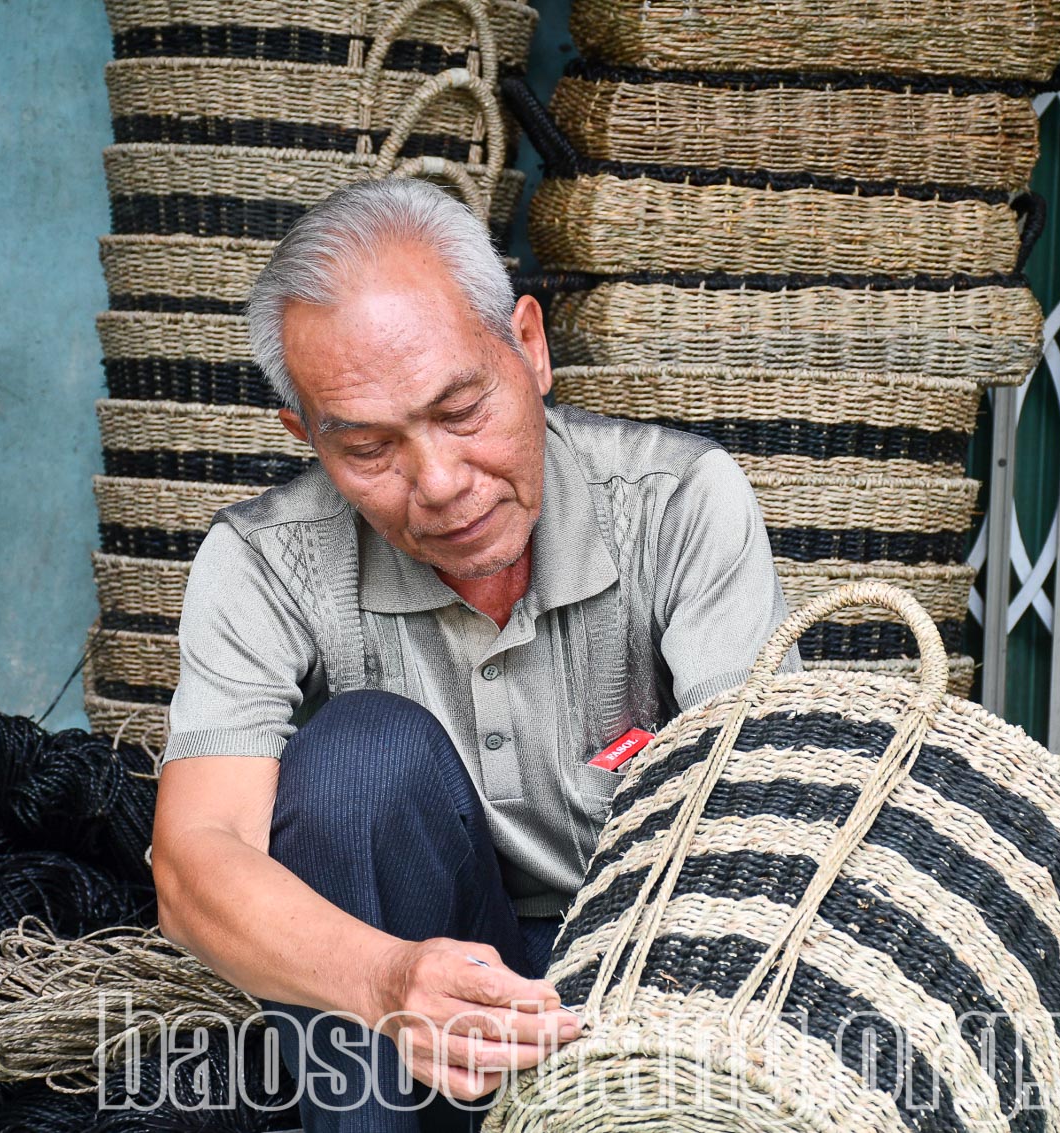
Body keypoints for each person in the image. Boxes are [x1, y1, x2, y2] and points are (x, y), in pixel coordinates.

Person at [148, 178, 799, 1132]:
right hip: (416, 1020)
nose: (442, 483)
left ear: (529, 347)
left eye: (462, 410)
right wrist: (386, 980)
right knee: (357, 759)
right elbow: (193, 862)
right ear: (309, 439)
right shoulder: (263, 560)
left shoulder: (679, 505)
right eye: (370, 447)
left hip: (646, 986)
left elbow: (750, 837)